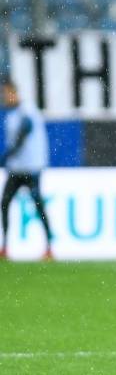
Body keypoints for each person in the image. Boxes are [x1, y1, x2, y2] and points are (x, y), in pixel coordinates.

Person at [0, 80, 52, 260]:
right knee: (5, 203)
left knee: (38, 206)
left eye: (6, 94)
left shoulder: (26, 110)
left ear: (13, 92)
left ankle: (49, 247)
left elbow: (25, 131)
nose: (4, 98)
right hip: (16, 169)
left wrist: (8, 155)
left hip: (31, 169)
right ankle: (5, 247)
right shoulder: (12, 114)